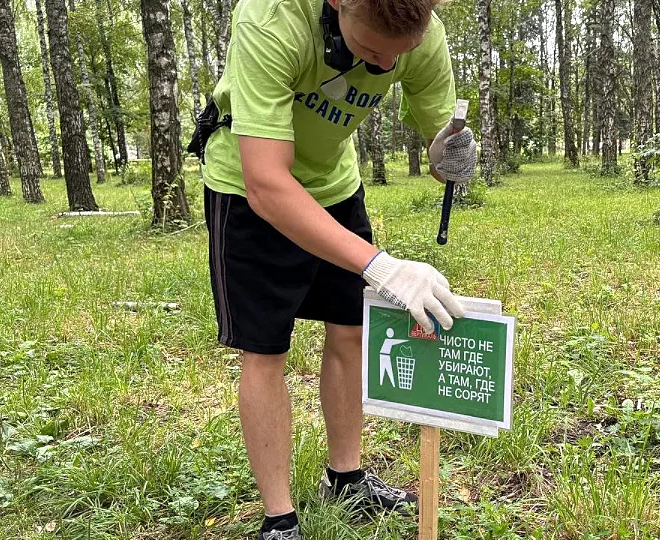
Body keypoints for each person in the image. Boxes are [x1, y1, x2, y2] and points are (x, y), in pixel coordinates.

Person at [195, 0, 478, 536]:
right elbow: (267, 183)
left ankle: (346, 478)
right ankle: (280, 518)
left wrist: (449, 155)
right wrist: (381, 267)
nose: (383, 67)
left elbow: (438, 143)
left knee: (350, 330)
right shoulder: (272, 19)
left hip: (335, 186)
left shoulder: (422, 33)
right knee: (264, 350)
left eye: (397, 56)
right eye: (370, 50)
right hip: (249, 189)